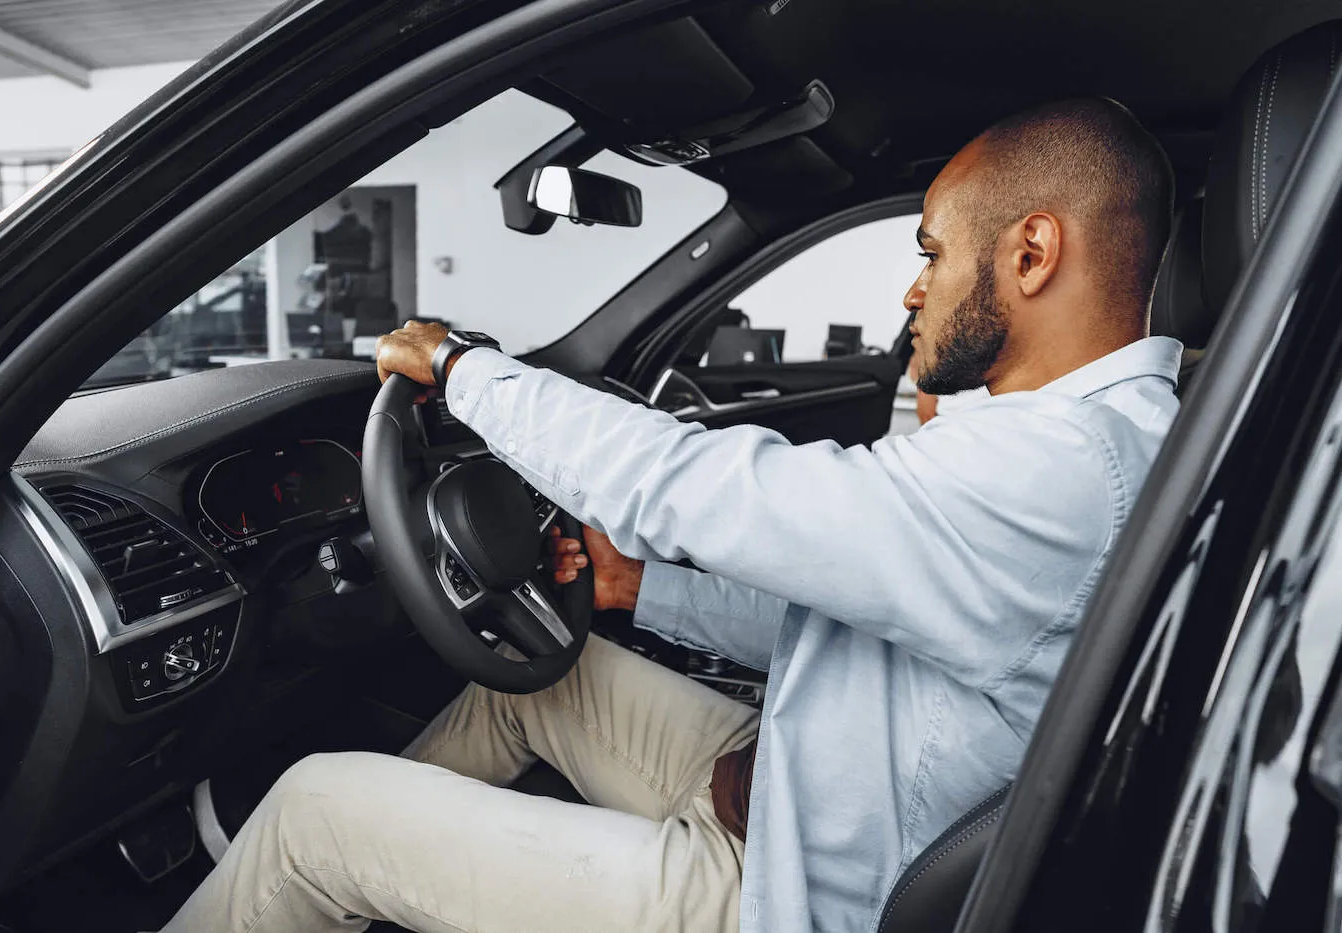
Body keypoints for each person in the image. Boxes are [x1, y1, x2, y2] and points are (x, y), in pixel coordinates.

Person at [160, 98, 1180, 933]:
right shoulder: (1101, 440)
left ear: (1032, 252)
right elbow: (861, 603)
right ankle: (346, 900)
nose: (915, 289)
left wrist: (463, 372)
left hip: (783, 903)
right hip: (790, 791)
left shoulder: (1059, 467)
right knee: (545, 683)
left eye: (932, 251)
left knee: (315, 812)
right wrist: (637, 587)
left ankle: (312, 873)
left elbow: (706, 487)